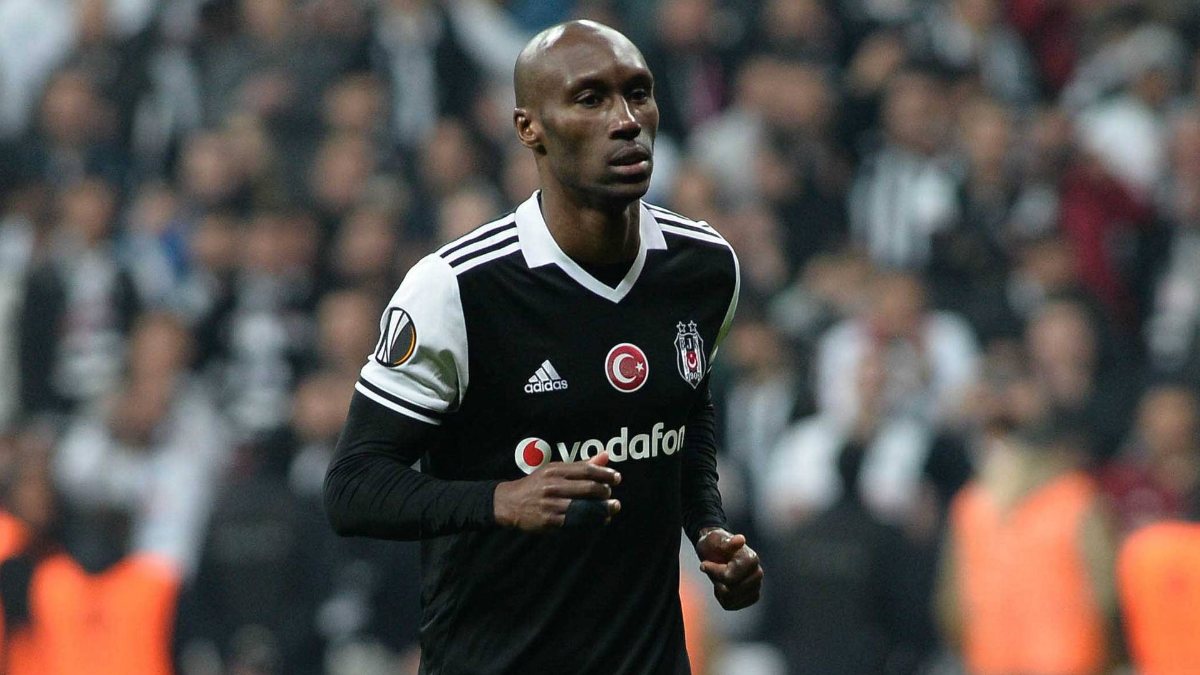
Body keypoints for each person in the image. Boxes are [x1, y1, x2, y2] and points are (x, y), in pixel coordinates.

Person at [324, 19, 762, 674]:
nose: (626, 121)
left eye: (638, 93)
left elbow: (683, 412)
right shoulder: (458, 288)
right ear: (529, 128)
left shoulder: (705, 267)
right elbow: (353, 486)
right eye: (590, 99)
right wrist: (499, 500)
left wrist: (706, 525)